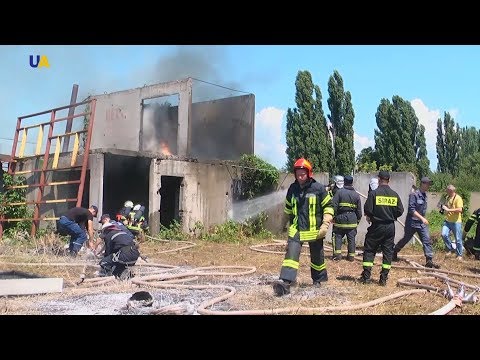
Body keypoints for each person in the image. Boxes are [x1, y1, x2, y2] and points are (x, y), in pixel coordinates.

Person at [272, 158, 334, 297]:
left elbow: (329, 206)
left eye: (303, 174)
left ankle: (317, 280)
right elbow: (288, 209)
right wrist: (284, 224)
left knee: (317, 257)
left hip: (314, 231)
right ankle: (286, 282)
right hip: (297, 229)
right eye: (298, 174)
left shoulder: (318, 189)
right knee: (291, 256)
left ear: (309, 174)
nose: (300, 177)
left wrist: (325, 224)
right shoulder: (292, 189)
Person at [359, 171, 404, 286]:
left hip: (377, 226)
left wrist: (374, 216)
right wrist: (391, 216)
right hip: (390, 227)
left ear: (379, 179)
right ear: (389, 180)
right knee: (388, 252)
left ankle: (367, 277)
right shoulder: (394, 194)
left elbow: (368, 209)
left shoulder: (374, 194)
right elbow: (400, 210)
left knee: (369, 250)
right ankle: (383, 279)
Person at [392, 177, 440, 268]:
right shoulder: (414, 195)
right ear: (423, 184)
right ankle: (394, 251)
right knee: (406, 239)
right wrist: (422, 218)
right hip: (412, 222)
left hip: (421, 224)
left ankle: (429, 260)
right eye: (428, 184)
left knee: (426, 240)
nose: (429, 186)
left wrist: (422, 219)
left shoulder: (424, 195)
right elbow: (411, 209)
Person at [331, 175, 362, 261]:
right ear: (352, 183)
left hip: (340, 219)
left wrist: (333, 217)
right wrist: (358, 220)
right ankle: (351, 256)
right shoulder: (356, 195)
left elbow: (334, 205)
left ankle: (338, 256)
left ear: (344, 182)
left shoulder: (339, 192)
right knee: (351, 239)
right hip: (352, 219)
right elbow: (359, 211)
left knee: (337, 236)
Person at [440, 184, 464, 260]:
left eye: (447, 191)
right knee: (444, 234)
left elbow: (460, 210)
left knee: (458, 239)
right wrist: (443, 208)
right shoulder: (447, 197)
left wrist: (449, 210)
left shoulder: (458, 198)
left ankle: (459, 255)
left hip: (456, 222)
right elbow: (446, 207)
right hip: (447, 221)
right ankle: (450, 249)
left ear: (451, 191)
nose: (446, 192)